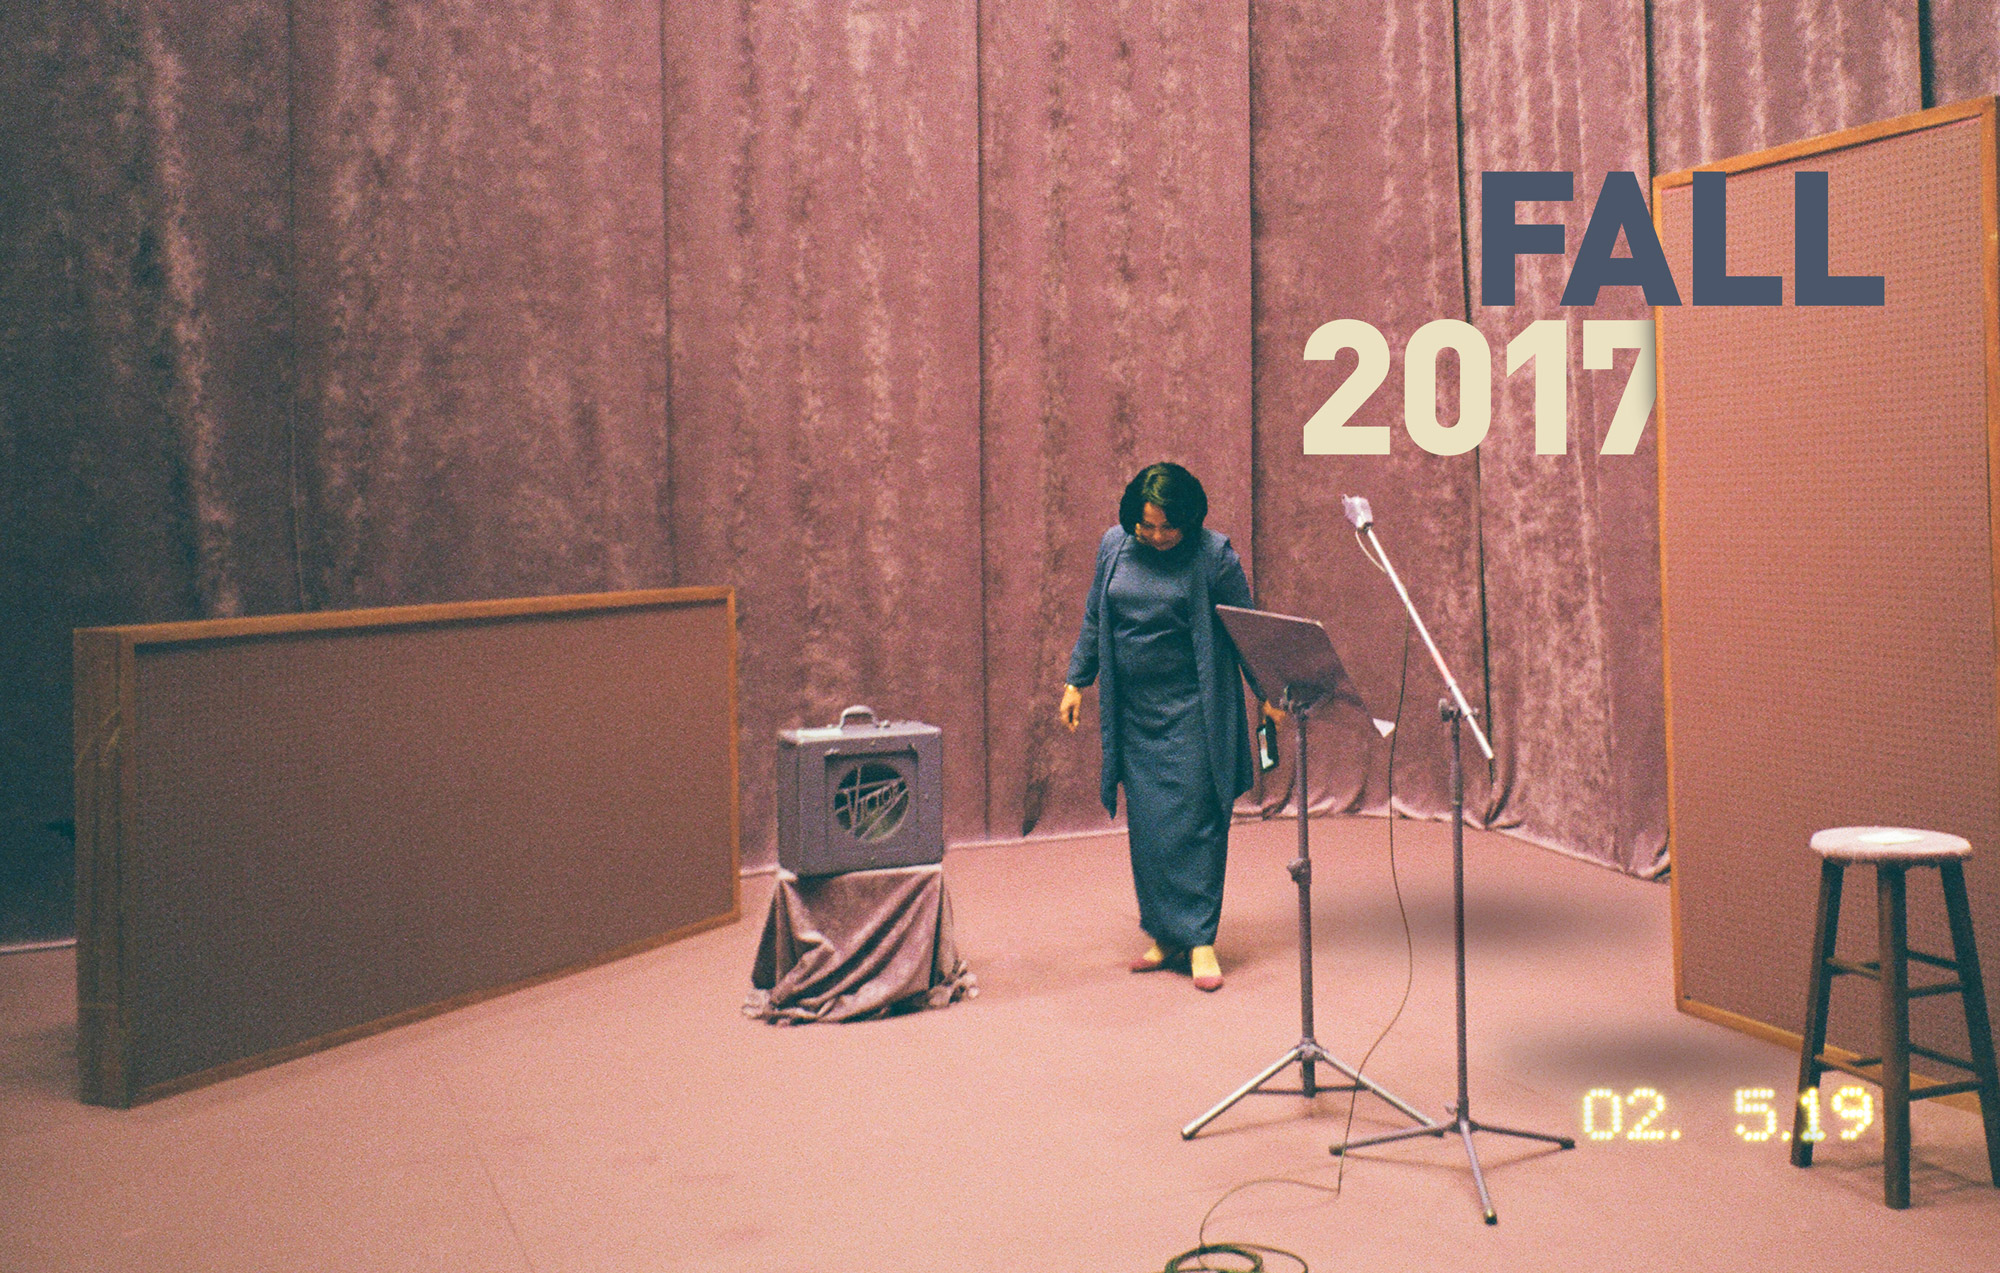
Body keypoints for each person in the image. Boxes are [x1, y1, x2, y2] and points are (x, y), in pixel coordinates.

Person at [1058, 462, 1270, 992]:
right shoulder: (1114, 546)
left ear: (1190, 520)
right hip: (1135, 711)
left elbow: (1249, 629)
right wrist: (1075, 681)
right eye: (1145, 525)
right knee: (1150, 828)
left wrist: (1270, 694)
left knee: (1197, 820)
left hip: (1195, 711)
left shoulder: (1213, 556)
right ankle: (1164, 933)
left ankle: (1199, 940)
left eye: (1166, 527)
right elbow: (1094, 617)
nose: (1154, 536)